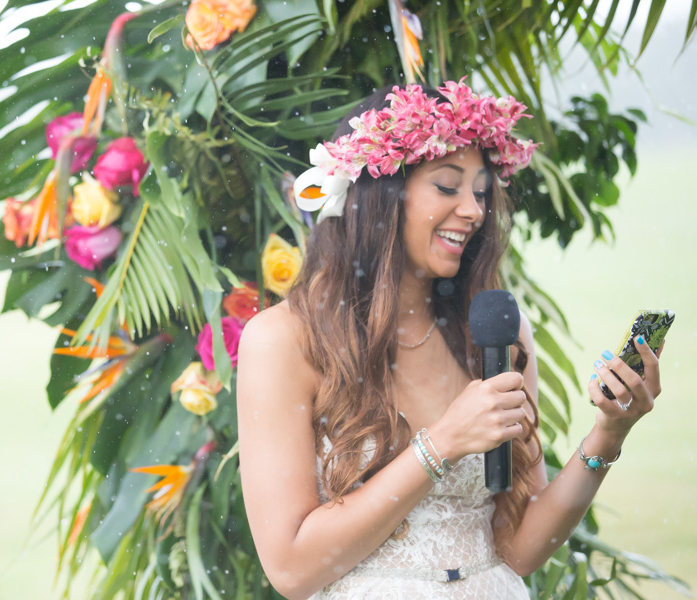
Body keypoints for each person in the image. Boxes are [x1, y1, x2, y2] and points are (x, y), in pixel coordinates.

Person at [235, 80, 665, 599]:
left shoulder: (492, 331)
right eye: (447, 186)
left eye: (481, 192)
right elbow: (291, 569)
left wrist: (609, 433)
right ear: (379, 195)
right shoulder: (283, 341)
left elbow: (519, 548)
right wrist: (441, 444)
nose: (474, 210)